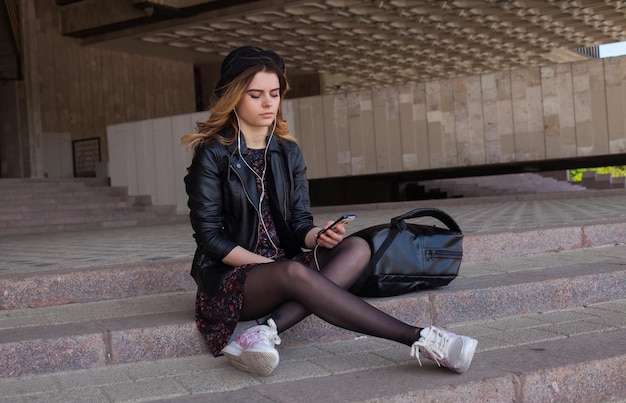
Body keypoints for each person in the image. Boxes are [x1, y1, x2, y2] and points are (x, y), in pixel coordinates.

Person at [181, 45, 477, 377]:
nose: (268, 103)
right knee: (294, 273)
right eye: (255, 94)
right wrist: (273, 265)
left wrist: (317, 236)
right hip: (232, 279)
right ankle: (420, 338)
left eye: (274, 94)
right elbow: (210, 240)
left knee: (357, 247)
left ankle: (264, 331)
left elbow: (298, 223)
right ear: (234, 96)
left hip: (287, 268)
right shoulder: (212, 155)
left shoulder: (288, 152)